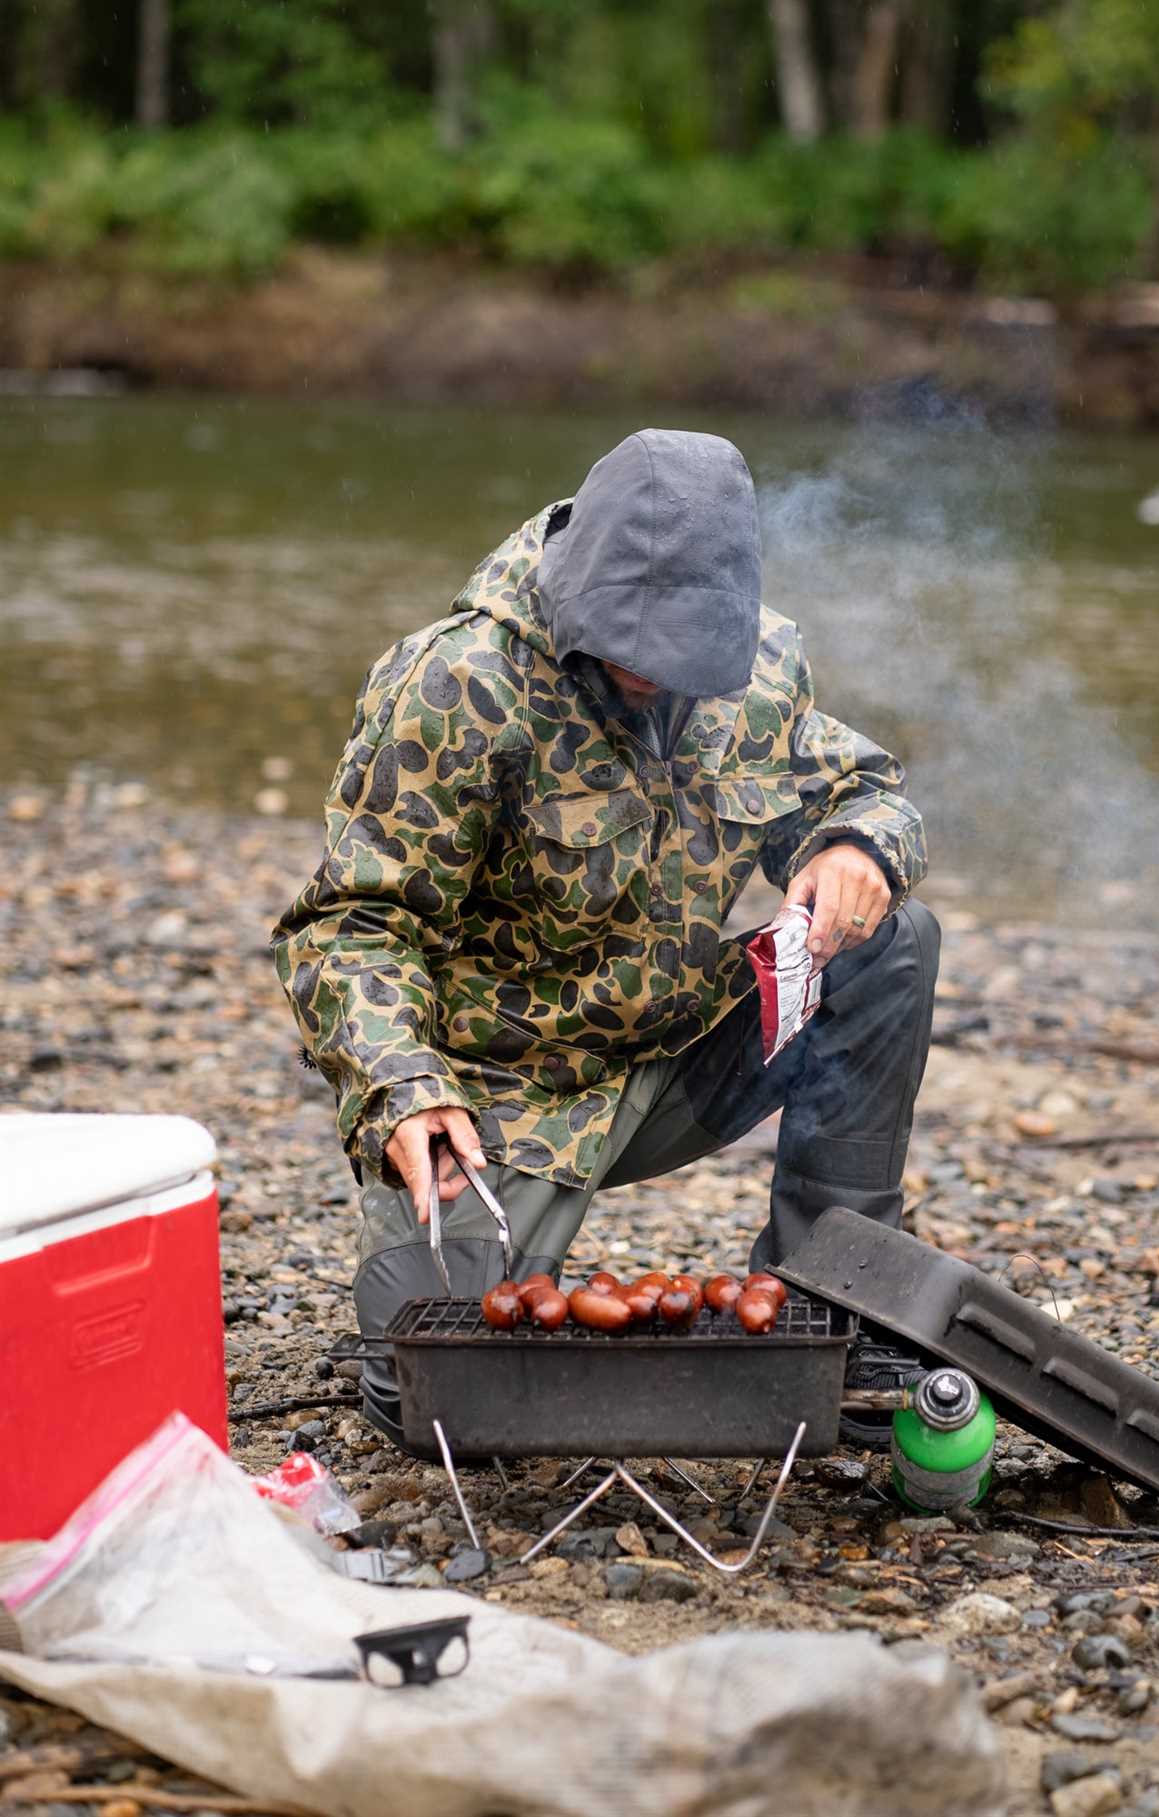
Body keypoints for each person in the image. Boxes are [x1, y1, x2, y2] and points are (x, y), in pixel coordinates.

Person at [272, 429, 939, 1447]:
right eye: (635, 640)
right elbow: (353, 927)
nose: (655, 670)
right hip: (499, 1099)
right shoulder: (457, 685)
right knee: (423, 1391)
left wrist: (857, 846)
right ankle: (453, 1237)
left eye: (682, 649)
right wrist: (403, 1085)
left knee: (889, 938)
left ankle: (838, 1279)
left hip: (681, 1052)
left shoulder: (757, 667)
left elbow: (863, 787)